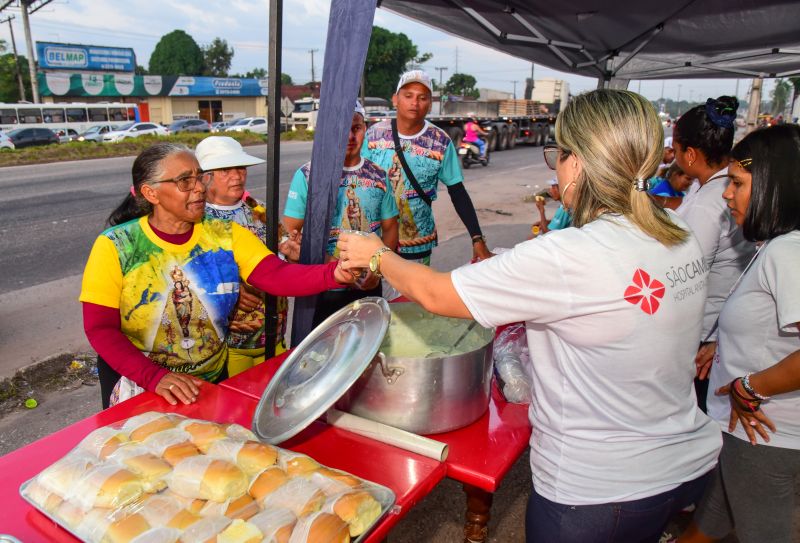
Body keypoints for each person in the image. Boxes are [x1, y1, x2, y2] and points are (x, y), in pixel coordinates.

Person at [339, 89, 720, 543]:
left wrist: (377, 254)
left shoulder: (572, 253)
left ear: (576, 164)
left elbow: (438, 294)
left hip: (595, 491)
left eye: (556, 155)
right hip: (678, 462)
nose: (555, 167)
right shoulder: (677, 231)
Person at [81, 143, 353, 408]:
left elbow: (276, 275)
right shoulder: (116, 245)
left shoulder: (225, 233)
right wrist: (155, 377)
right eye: (185, 181)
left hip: (209, 379)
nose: (199, 187)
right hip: (139, 383)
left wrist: (337, 273)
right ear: (151, 193)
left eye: (199, 177)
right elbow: (100, 329)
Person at [679, 125, 800, 543]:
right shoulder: (777, 245)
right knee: (710, 520)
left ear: (774, 186)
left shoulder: (789, 253)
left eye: (737, 183)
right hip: (748, 433)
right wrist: (723, 345)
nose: (727, 194)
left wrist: (750, 387)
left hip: (764, 435)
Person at [673, 96, 756, 412]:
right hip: (712, 326)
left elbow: (685, 272)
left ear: (690, 154)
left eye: (678, 150)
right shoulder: (707, 188)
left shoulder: (711, 201)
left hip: (703, 333)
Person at [362, 70, 491, 272]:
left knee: (410, 302)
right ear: (395, 99)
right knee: (375, 301)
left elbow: (457, 191)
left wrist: (477, 238)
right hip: (374, 240)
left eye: (422, 98)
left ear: (430, 104)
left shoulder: (440, 141)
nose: (415, 103)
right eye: (408, 96)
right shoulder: (373, 134)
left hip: (416, 243)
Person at [284, 101, 399, 325]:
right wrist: (328, 263)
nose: (349, 136)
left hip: (367, 286)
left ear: (365, 128)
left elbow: (391, 228)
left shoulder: (378, 176)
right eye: (341, 128)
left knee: (369, 352)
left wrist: (378, 268)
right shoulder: (308, 175)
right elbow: (291, 233)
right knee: (322, 356)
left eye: (355, 128)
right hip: (322, 286)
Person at [196, 136, 292, 377]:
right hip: (227, 346)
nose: (237, 176)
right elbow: (188, 275)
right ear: (204, 177)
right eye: (225, 170)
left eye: (240, 168)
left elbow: (282, 250)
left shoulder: (257, 208)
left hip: (273, 334)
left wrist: (292, 252)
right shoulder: (197, 219)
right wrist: (232, 290)